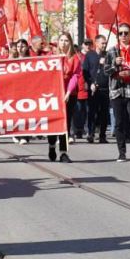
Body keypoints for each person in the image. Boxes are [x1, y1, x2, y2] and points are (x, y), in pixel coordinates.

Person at [102, 23, 130, 162]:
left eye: (126, 33)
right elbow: (106, 71)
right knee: (119, 123)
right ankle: (122, 153)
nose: (123, 36)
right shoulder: (112, 51)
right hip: (117, 91)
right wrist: (115, 64)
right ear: (117, 35)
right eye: (120, 33)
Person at [51, 31, 79, 162]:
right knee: (52, 122)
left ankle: (63, 152)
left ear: (70, 43)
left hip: (69, 94)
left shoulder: (75, 58)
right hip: (54, 94)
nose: (64, 43)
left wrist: (68, 92)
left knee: (65, 123)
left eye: (66, 40)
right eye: (61, 40)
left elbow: (75, 76)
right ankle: (51, 145)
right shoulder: (52, 57)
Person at [82, 34, 109, 144]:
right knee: (92, 112)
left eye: (105, 43)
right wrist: (90, 83)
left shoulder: (107, 55)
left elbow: (112, 70)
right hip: (93, 88)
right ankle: (91, 133)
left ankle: (102, 135)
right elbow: (85, 71)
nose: (104, 45)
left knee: (104, 113)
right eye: (102, 43)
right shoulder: (90, 55)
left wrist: (105, 64)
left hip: (105, 88)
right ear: (96, 43)